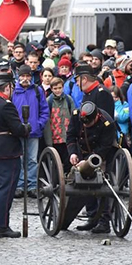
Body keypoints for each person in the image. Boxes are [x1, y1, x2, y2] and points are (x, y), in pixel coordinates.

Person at [0, 73, 30, 238]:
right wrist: (26, 128)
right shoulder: (6, 105)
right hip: (6, 150)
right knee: (6, 188)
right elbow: (17, 129)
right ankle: (2, 226)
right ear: (7, 87)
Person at [67, 101, 118, 233]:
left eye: (88, 124)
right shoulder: (76, 115)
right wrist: (72, 153)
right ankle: (92, 216)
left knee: (101, 183)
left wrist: (89, 161)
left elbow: (105, 146)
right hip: (83, 151)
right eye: (84, 123)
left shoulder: (107, 123)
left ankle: (104, 221)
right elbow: (71, 135)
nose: (85, 126)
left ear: (95, 118)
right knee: (86, 179)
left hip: (103, 155)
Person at [12, 65, 50, 199]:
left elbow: (44, 111)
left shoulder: (37, 90)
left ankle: (32, 185)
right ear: (18, 76)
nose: (25, 79)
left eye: (28, 76)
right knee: (19, 159)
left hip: (34, 131)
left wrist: (39, 124)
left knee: (33, 160)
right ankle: (20, 186)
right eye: (23, 76)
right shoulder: (13, 91)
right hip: (18, 131)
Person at [47, 77, 74, 173]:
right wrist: (48, 140)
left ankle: (68, 176)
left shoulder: (68, 99)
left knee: (68, 160)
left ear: (63, 87)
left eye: (59, 88)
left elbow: (73, 116)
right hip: (55, 137)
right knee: (55, 161)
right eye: (55, 88)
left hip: (67, 136)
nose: (57, 90)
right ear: (51, 89)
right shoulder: (49, 101)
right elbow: (47, 121)